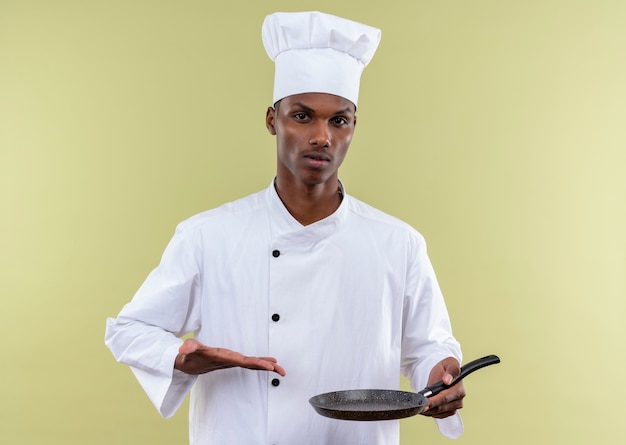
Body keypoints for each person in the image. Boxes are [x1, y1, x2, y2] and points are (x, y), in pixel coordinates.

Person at [105, 11, 465, 445]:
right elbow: (128, 330)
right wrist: (180, 357)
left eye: (338, 120)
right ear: (272, 120)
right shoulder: (208, 236)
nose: (321, 137)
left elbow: (430, 344)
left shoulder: (398, 243)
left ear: (353, 127)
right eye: (302, 116)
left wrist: (441, 369)